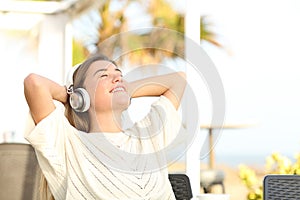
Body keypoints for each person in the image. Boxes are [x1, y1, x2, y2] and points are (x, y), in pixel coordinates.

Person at [24, 54, 186, 200]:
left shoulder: (148, 136)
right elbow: (35, 83)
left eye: (119, 74)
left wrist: (126, 87)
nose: (117, 78)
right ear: (81, 95)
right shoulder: (68, 144)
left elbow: (179, 80)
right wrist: (73, 97)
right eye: (103, 75)